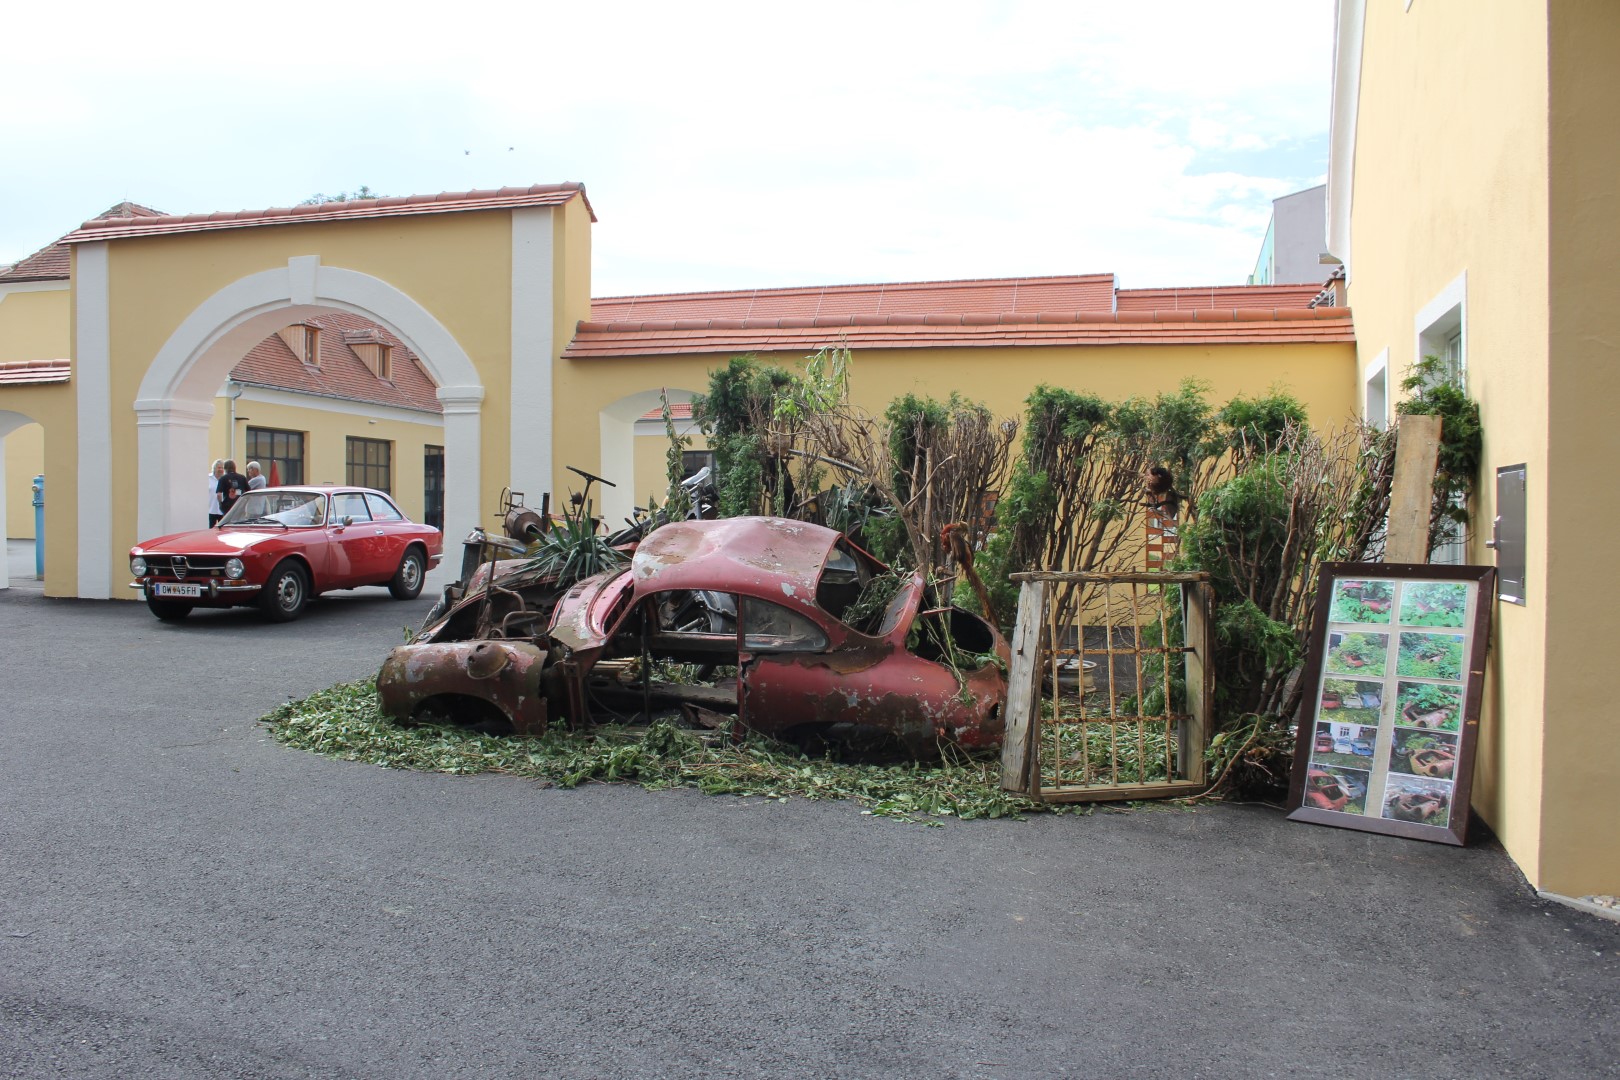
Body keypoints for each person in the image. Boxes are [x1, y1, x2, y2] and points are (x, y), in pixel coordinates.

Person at [207, 459, 225, 526]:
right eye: (219, 467)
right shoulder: (208, 478)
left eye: (222, 468)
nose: (220, 469)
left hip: (222, 511)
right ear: (214, 468)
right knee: (210, 531)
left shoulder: (225, 479)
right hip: (210, 510)